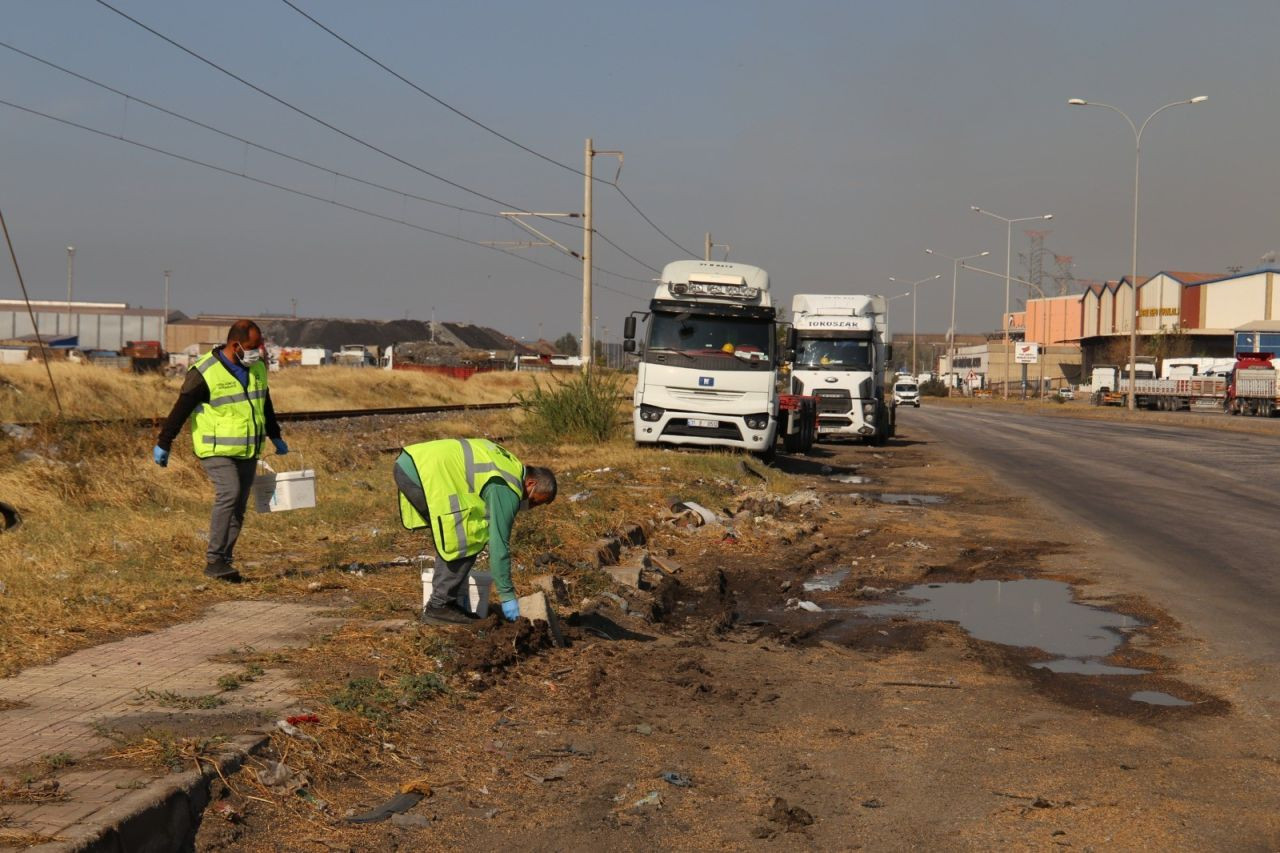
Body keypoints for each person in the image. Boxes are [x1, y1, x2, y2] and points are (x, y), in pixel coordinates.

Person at [153, 320, 287, 582]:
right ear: (235, 345)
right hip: (215, 448)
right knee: (229, 492)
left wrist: (275, 435)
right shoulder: (205, 371)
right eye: (251, 347)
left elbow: (264, 402)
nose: (257, 352)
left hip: (248, 448)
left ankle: (225, 561)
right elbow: (182, 408)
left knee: (239, 505)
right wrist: (164, 442)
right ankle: (214, 559)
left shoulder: (257, 367)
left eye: (259, 347)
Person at [394, 438, 556, 625]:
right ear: (530, 484)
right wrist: (507, 596)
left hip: (411, 463)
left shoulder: (511, 464)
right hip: (419, 473)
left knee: (456, 533)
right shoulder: (508, 488)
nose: (530, 506)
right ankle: (439, 606)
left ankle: (446, 603)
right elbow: (499, 545)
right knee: (467, 538)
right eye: (535, 501)